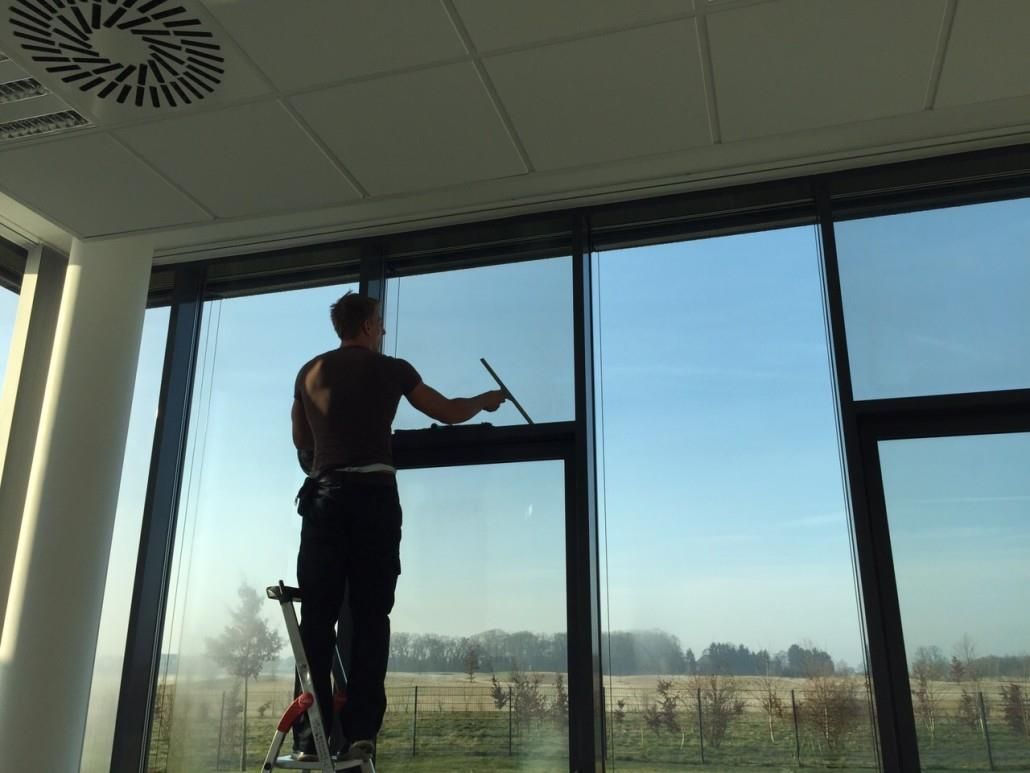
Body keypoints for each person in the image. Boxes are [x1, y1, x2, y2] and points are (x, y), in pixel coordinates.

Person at [290, 291, 505, 761]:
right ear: (367, 325)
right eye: (380, 323)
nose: (383, 330)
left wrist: (330, 458)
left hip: (324, 503)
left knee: (317, 622)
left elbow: (301, 444)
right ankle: (362, 730)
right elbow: (448, 412)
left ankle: (312, 737)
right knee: (371, 618)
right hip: (373, 501)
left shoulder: (308, 373)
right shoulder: (392, 370)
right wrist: (486, 400)